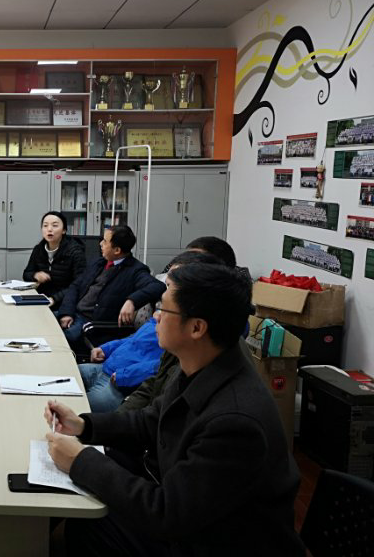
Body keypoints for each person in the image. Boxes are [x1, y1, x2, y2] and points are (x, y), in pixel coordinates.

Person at [45, 263, 303, 556]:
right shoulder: (202, 363)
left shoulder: (235, 422)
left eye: (163, 309)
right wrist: (84, 425)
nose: (155, 316)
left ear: (196, 328)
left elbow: (167, 514)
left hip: (218, 543)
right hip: (193, 518)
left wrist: (81, 461)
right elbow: (151, 420)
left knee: (90, 523)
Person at [79, 251, 224, 413]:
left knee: (76, 408)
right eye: (167, 286)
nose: (163, 296)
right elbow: (134, 338)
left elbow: (156, 370)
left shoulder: (183, 341)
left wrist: (124, 375)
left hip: (118, 381)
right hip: (107, 367)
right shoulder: (165, 318)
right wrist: (106, 348)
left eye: (171, 287)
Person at [57, 225, 165, 346]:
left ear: (117, 250)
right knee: (45, 322)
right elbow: (75, 286)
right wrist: (67, 312)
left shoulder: (135, 270)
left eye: (105, 241)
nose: (100, 244)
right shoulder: (99, 262)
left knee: (57, 339)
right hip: (74, 314)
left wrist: (132, 301)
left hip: (92, 324)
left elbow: (158, 286)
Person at [22, 211, 86, 308]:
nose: (49, 229)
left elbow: (79, 284)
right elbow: (26, 274)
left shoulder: (75, 252)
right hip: (41, 299)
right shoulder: (38, 249)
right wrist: (35, 275)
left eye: (55, 225)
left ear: (64, 230)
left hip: (64, 303)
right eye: (45, 225)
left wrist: (55, 299)